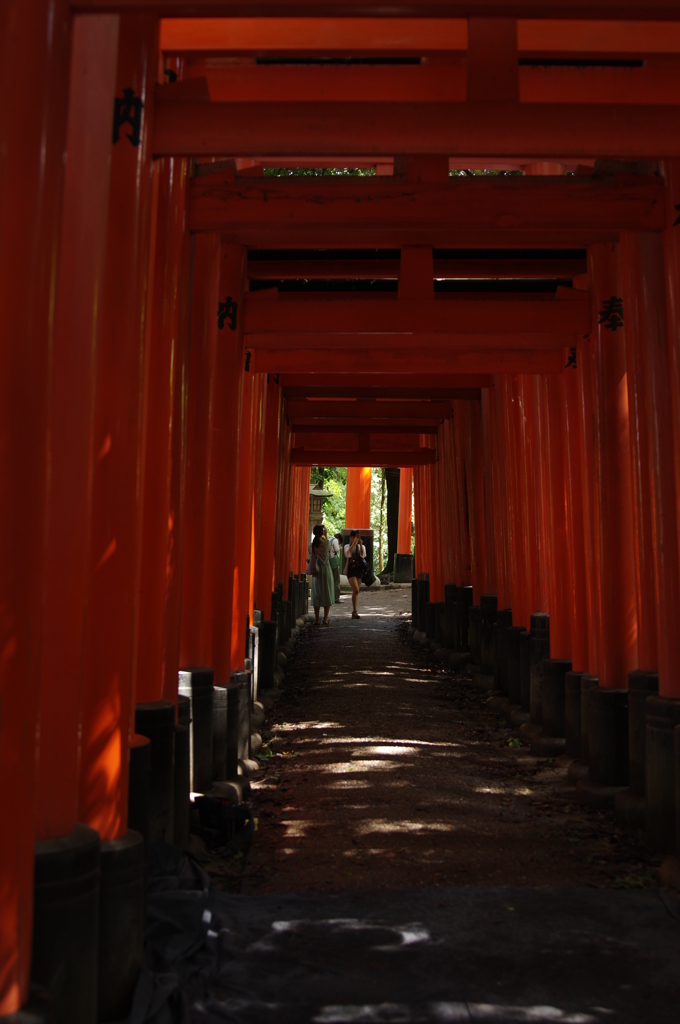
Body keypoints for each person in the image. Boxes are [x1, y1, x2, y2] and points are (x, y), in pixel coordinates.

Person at [310, 525, 335, 626]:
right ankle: (325, 619)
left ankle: (317, 619)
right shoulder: (326, 543)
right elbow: (328, 555)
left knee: (317, 594)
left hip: (316, 570)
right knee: (326, 592)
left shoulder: (312, 545)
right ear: (322, 533)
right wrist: (326, 535)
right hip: (325, 570)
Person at [344, 529, 367, 620]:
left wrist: (360, 544)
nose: (355, 538)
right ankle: (354, 611)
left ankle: (354, 611)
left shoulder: (362, 546)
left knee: (356, 591)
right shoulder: (347, 546)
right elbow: (347, 554)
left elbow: (362, 555)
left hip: (359, 568)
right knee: (356, 590)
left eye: (357, 536)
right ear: (351, 537)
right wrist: (353, 544)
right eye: (354, 536)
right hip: (350, 569)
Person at [330, 533, 342, 604]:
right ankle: (336, 598)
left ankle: (331, 597)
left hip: (329, 562)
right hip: (333, 562)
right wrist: (340, 548)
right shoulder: (335, 540)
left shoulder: (329, 539)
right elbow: (337, 550)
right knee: (336, 580)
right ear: (339, 539)